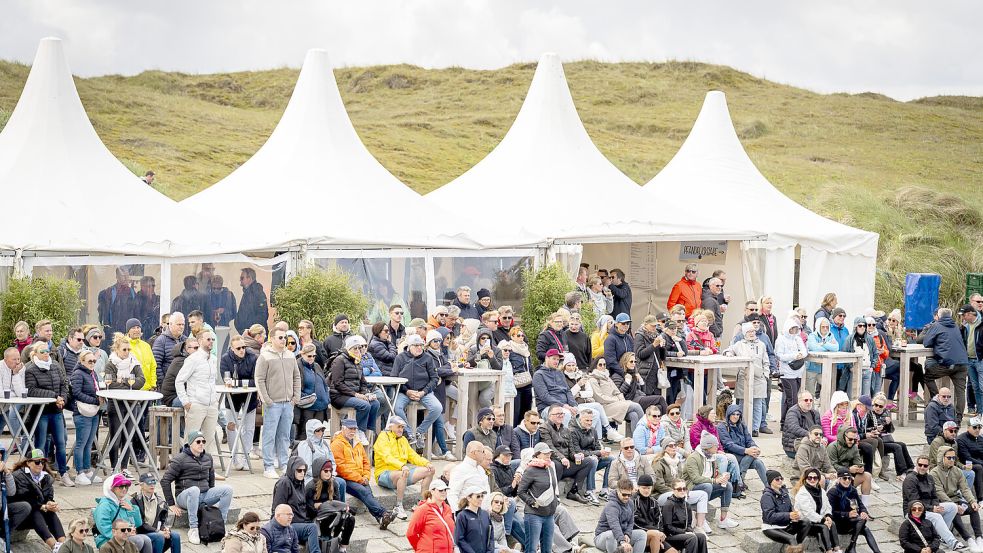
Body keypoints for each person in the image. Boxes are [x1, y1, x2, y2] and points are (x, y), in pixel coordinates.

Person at [160, 431, 233, 545]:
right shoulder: (180, 459)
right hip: (185, 496)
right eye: (198, 441)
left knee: (227, 489)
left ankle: (220, 524)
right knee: (194, 490)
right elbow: (165, 480)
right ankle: (193, 528)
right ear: (190, 444)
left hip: (203, 495)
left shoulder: (208, 457)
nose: (201, 444)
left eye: (203, 441)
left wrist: (211, 491)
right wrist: (171, 504)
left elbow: (211, 477)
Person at [330, 418, 397, 529]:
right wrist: (360, 479)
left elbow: (366, 462)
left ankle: (381, 518)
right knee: (364, 492)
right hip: (345, 479)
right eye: (350, 429)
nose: (352, 431)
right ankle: (383, 513)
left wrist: (366, 476)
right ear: (343, 428)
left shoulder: (357, 443)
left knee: (367, 494)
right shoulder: (337, 444)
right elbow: (341, 467)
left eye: (354, 429)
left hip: (360, 477)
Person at [24, 341, 73, 486]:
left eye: (48, 351)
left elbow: (64, 384)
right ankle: (41, 475)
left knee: (61, 443)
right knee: (41, 444)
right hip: (41, 412)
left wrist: (62, 398)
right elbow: (31, 390)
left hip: (56, 410)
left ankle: (63, 473)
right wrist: (54, 396)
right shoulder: (30, 369)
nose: (46, 354)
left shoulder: (55, 365)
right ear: (35, 354)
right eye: (43, 352)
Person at [256, 327, 301, 479]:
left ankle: (283, 464)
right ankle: (268, 466)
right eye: (280, 337)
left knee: (284, 435)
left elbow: (296, 376)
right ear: (272, 339)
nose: (284, 340)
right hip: (273, 403)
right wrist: (266, 400)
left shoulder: (290, 355)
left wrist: (296, 397)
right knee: (269, 434)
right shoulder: (265, 356)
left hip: (288, 402)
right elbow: (259, 379)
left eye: (285, 338)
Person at [374, 415, 436, 519]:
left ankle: (421, 503)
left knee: (429, 470)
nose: (401, 429)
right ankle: (398, 506)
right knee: (402, 473)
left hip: (402, 472)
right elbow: (386, 457)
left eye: (402, 427)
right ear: (390, 426)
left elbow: (413, 456)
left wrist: (427, 463)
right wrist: (402, 466)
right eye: (399, 426)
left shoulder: (403, 439)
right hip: (384, 474)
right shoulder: (383, 437)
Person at [903, 454, 965, 551]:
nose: (922, 467)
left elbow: (934, 496)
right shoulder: (910, 479)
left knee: (953, 507)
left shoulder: (930, 478)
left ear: (928, 467)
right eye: (920, 465)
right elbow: (914, 501)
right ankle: (952, 542)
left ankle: (941, 536)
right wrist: (932, 509)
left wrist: (936, 506)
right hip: (914, 510)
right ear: (916, 465)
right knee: (937, 517)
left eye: (925, 466)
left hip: (930, 507)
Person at [393, 334, 443, 447]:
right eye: (416, 345)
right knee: (396, 407)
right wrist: (407, 391)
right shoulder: (400, 358)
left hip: (424, 391)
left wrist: (423, 392)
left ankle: (419, 431)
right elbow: (394, 378)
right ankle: (409, 433)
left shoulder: (427, 358)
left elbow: (434, 378)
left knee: (437, 408)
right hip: (405, 391)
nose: (419, 348)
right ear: (409, 346)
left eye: (421, 345)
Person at [541, 404, 598, 505]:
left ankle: (574, 490)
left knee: (589, 461)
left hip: (567, 464)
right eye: (557, 414)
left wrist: (575, 455)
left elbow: (571, 449)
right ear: (550, 416)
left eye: (562, 414)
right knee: (556, 464)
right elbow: (549, 447)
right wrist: (562, 458)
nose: (560, 416)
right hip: (555, 461)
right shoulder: (545, 428)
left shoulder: (566, 430)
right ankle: (553, 494)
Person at [10, 449, 67, 548]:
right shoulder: (18, 476)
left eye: (43, 462)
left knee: (50, 512)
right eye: (37, 462)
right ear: (28, 463)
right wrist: (43, 506)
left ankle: (65, 545)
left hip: (37, 513)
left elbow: (49, 496)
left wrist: (50, 503)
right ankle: (54, 546)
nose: (40, 464)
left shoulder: (46, 477)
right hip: (20, 516)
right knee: (34, 512)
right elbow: (24, 498)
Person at [651, 440, 711, 532]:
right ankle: (685, 523)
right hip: (661, 495)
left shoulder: (678, 462)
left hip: (678, 490)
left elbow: (681, 479)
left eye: (675, 445)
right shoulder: (658, 463)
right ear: (665, 448)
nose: (674, 447)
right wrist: (675, 491)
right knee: (681, 495)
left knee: (703, 495)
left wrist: (683, 489)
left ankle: (700, 525)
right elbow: (659, 485)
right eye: (670, 445)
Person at [924, 308, 971, 424]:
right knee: (960, 392)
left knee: (928, 377)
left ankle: (938, 401)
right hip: (962, 363)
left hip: (947, 363)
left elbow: (926, 342)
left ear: (938, 316)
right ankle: (958, 419)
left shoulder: (937, 325)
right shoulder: (955, 326)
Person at [931, 446, 983, 551]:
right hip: (943, 503)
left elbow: (965, 488)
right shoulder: (934, 472)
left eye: (954, 458)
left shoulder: (957, 471)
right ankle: (968, 539)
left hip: (956, 499)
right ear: (942, 457)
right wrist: (954, 505)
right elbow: (939, 492)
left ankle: (979, 537)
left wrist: (972, 501)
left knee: (973, 509)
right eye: (949, 458)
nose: (952, 460)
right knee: (954, 510)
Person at [682, 433, 738, 529]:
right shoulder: (693, 458)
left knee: (727, 485)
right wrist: (714, 480)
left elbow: (714, 475)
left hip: (707, 486)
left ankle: (723, 519)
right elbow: (695, 479)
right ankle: (701, 519)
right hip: (691, 488)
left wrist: (722, 478)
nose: (717, 447)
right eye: (715, 445)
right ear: (708, 447)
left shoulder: (712, 457)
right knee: (707, 486)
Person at [723, 322, 770, 435]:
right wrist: (729, 353)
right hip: (744, 377)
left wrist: (766, 375)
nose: (751, 333)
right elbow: (728, 350)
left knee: (758, 404)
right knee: (743, 404)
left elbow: (766, 361)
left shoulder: (761, 344)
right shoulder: (739, 344)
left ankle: (755, 428)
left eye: (753, 331)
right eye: (749, 331)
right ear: (744, 333)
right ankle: (742, 426)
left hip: (759, 378)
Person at [220, 335, 258, 470]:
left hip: (250, 396)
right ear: (232, 349)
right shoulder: (225, 358)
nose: (242, 350)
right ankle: (235, 457)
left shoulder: (253, 357)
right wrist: (242, 383)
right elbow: (226, 380)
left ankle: (246, 458)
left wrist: (238, 383)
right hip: (232, 397)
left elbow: (256, 380)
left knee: (248, 428)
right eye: (239, 348)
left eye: (243, 347)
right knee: (231, 427)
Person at [93, 473, 154, 553]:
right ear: (112, 488)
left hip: (125, 534)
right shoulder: (104, 506)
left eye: (126, 487)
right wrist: (126, 533)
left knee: (147, 540)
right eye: (121, 486)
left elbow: (138, 523)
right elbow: (105, 529)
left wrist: (132, 509)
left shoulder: (126, 501)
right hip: (108, 539)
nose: (124, 489)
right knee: (138, 540)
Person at [271, 457, 321, 553]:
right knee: (312, 528)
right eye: (299, 470)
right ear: (292, 469)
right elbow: (277, 508)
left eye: (304, 470)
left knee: (318, 525)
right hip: (287, 524)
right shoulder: (284, 483)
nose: (302, 473)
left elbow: (303, 506)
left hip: (300, 521)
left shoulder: (300, 482)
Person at [518, 443, 560, 553]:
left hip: (549, 514)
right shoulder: (530, 470)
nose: (548, 454)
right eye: (545, 453)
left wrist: (556, 501)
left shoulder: (550, 467)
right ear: (537, 455)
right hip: (534, 514)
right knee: (531, 548)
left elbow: (554, 488)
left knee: (547, 548)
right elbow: (521, 491)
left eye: (549, 452)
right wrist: (532, 503)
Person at [71, 350, 103, 486]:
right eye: (89, 361)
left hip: (94, 411)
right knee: (81, 443)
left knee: (89, 443)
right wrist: (95, 400)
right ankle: (79, 472)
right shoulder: (78, 374)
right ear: (82, 361)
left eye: (94, 361)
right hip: (82, 412)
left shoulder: (93, 373)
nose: (92, 363)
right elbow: (76, 393)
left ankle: (87, 469)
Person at [717, 404, 768, 487]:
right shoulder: (722, 427)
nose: (735, 416)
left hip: (744, 455)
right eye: (733, 414)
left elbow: (749, 439)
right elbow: (729, 444)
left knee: (758, 462)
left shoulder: (742, 425)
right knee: (750, 456)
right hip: (731, 454)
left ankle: (768, 486)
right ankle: (739, 482)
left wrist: (754, 447)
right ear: (729, 415)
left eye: (738, 414)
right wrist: (746, 451)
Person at [760, 470, 810, 553]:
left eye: (781, 478)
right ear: (771, 482)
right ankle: (797, 549)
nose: (780, 481)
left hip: (785, 525)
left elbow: (790, 509)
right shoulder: (767, 496)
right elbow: (769, 517)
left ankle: (797, 547)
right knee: (791, 538)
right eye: (777, 479)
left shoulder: (784, 492)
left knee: (806, 522)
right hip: (771, 528)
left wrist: (795, 516)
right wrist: (788, 515)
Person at [790, 468, 840, 553]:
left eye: (815, 478)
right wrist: (823, 520)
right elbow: (808, 513)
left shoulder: (821, 491)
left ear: (818, 479)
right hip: (805, 523)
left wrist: (828, 516)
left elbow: (827, 506)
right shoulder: (802, 493)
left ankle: (837, 549)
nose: (812, 480)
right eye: (809, 478)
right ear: (805, 479)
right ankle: (828, 551)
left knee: (832, 523)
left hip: (818, 520)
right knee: (824, 526)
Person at [570, 408, 613, 503]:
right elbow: (577, 452)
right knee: (593, 459)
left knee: (611, 459)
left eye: (591, 420)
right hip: (579, 462)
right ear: (580, 419)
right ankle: (590, 491)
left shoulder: (593, 430)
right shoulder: (573, 431)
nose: (590, 423)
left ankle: (604, 490)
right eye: (587, 420)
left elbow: (597, 446)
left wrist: (602, 453)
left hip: (594, 458)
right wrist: (597, 453)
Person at [130, 473, 180, 553]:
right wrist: (157, 531)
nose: (152, 485)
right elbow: (140, 525)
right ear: (141, 485)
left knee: (175, 536)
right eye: (149, 483)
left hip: (156, 531)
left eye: (154, 482)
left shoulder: (160, 500)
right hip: (142, 532)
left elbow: (163, 520)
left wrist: (165, 529)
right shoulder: (135, 501)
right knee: (159, 536)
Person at [594, 478, 647, 553]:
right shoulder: (611, 505)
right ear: (618, 491)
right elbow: (614, 525)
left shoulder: (630, 503)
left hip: (621, 535)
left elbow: (631, 522)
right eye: (624, 494)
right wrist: (622, 541)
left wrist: (627, 534)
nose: (627, 497)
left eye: (629, 495)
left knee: (642, 534)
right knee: (611, 534)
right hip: (603, 537)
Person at [661, 478, 709, 553]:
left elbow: (688, 524)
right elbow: (668, 527)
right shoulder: (668, 505)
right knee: (692, 538)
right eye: (679, 489)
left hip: (683, 534)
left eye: (684, 488)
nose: (682, 491)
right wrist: (684, 532)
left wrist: (689, 531)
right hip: (671, 536)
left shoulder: (687, 505)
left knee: (701, 537)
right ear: (673, 490)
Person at [407, 480, 455, 553]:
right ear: (432, 491)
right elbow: (411, 533)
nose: (444, 492)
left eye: (445, 490)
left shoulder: (447, 508)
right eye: (440, 490)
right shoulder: (422, 509)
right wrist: (421, 549)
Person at [776, 317, 808, 425]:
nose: (794, 331)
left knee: (790, 398)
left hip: (798, 371)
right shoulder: (781, 339)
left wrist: (801, 355)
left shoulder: (797, 338)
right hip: (787, 373)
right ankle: (792, 422)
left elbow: (804, 351)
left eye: (796, 328)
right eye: (792, 328)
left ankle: (784, 421)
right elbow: (779, 355)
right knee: (793, 399)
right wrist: (794, 356)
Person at [631, 475, 670, 553]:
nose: (646, 490)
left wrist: (660, 532)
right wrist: (655, 531)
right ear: (638, 487)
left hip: (656, 533)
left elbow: (659, 520)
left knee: (673, 551)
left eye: (648, 488)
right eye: (644, 488)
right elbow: (636, 522)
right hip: (641, 533)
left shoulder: (654, 502)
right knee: (655, 535)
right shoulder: (633, 501)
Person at [98, 268, 138, 341]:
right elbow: (103, 315)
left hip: (128, 331)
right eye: (123, 276)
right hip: (113, 332)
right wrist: (108, 329)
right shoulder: (109, 292)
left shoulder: (132, 293)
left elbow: (136, 313)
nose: (126, 278)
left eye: (127, 276)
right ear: (117, 276)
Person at [455, 484, 494, 553]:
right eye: (478, 496)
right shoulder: (462, 516)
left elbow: (491, 536)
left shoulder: (485, 514)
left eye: (482, 496)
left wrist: (490, 551)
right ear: (469, 498)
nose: (481, 499)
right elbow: (459, 539)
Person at [805, 317, 840, 396]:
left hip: (824, 369)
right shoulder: (812, 335)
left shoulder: (830, 335)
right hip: (812, 369)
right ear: (818, 326)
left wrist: (824, 343)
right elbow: (814, 348)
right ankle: (811, 408)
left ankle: (823, 407)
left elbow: (836, 348)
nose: (825, 329)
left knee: (827, 391)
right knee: (810, 393)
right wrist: (829, 347)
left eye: (827, 327)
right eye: (823, 327)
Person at [782, 391, 821, 459]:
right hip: (793, 447)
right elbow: (794, 428)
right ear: (799, 401)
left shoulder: (815, 413)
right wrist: (810, 435)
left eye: (810, 400)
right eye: (806, 400)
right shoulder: (793, 412)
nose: (809, 402)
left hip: (812, 443)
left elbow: (819, 428)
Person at [152, 312, 186, 385]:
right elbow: (156, 364)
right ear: (170, 324)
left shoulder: (186, 340)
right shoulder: (161, 340)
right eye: (179, 324)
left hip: (183, 384)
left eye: (183, 324)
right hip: (168, 385)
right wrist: (164, 383)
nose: (181, 327)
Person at [236, 268, 268, 334]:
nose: (240, 280)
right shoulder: (247, 293)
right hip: (248, 333)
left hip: (256, 335)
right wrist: (238, 323)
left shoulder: (258, 293)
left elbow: (263, 315)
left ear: (249, 279)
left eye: (242, 278)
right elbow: (242, 314)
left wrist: (248, 327)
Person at [604, 314, 635, 382]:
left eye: (628, 323)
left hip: (629, 373)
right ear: (617, 324)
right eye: (623, 323)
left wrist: (635, 372)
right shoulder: (610, 339)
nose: (626, 325)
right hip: (615, 374)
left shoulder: (629, 338)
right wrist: (624, 373)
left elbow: (633, 356)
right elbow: (610, 361)